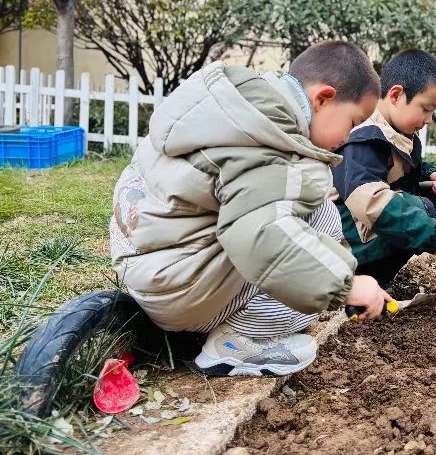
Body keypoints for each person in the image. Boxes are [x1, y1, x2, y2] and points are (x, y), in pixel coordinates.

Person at [108, 42, 392, 377]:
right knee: (306, 305)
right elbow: (261, 234)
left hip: (149, 262)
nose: (347, 138)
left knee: (316, 209)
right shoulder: (263, 144)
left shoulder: (234, 110)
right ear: (322, 98)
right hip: (178, 288)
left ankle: (214, 318)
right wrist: (347, 286)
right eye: (352, 122)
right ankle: (232, 343)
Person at [333, 50, 436, 287]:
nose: (429, 120)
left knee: (428, 199)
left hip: (358, 225)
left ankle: (376, 279)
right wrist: (434, 238)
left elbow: (400, 172)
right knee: (422, 209)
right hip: (340, 239)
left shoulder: (398, 131)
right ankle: (359, 281)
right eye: (426, 109)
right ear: (396, 95)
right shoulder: (365, 138)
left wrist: (427, 174)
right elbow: (371, 202)